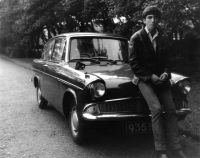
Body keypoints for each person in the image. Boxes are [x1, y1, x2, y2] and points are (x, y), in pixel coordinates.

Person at [129, 6, 188, 158]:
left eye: (155, 17)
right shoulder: (136, 38)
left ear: (159, 20)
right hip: (144, 79)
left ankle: (175, 147)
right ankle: (160, 150)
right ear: (144, 20)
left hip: (161, 80)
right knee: (156, 108)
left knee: (171, 109)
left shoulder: (163, 37)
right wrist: (150, 76)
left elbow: (168, 61)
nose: (153, 20)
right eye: (149, 17)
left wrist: (166, 73)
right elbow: (134, 64)